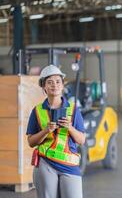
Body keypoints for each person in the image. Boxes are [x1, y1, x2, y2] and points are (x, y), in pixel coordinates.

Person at [26, 65, 86, 198]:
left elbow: (81, 140)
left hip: (69, 165)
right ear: (44, 87)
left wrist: (69, 127)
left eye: (58, 81)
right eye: (50, 82)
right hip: (46, 163)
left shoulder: (73, 110)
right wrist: (46, 131)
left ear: (62, 85)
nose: (54, 85)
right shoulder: (37, 111)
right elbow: (31, 142)